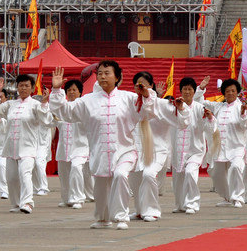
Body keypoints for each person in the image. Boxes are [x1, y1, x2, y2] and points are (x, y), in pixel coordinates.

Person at [49, 62, 157, 229]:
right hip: (99, 151)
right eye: (100, 73)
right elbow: (65, 112)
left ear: (117, 77)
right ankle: (102, 219)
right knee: (101, 188)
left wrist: (146, 96)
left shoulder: (128, 98)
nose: (103, 76)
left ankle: (121, 217)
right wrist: (56, 90)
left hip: (125, 150)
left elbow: (147, 113)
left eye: (107, 73)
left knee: (121, 175)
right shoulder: (87, 100)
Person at [129, 71, 192, 222]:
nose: (141, 87)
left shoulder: (162, 105)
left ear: (151, 86)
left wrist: (181, 108)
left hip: (157, 150)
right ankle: (139, 210)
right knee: (136, 181)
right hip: (137, 149)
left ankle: (152, 210)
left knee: (149, 175)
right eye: (138, 84)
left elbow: (183, 122)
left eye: (145, 84)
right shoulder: (131, 104)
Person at [0, 74, 50, 213]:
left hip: (28, 148)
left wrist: (44, 104)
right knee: (11, 178)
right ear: (17, 87)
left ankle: (28, 202)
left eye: (27, 86)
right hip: (10, 148)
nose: (23, 88)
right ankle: (16, 204)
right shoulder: (10, 104)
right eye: (21, 85)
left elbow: (46, 120)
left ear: (32, 88)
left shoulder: (35, 105)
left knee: (24, 173)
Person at [201, 79, 247, 208]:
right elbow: (200, 103)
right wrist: (201, 89)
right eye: (227, 91)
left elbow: (245, 124)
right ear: (223, 92)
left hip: (237, 147)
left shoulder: (241, 107)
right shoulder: (219, 106)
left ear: (237, 92)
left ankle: (238, 197)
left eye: (233, 91)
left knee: (235, 167)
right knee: (216, 172)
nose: (230, 93)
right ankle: (227, 197)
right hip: (220, 147)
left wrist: (242, 114)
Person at [170, 77, 214, 214]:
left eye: (190, 89)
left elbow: (210, 128)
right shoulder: (174, 106)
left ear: (194, 92)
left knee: (190, 172)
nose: (187, 92)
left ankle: (192, 203)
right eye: (185, 89)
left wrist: (210, 118)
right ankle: (180, 204)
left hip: (195, 149)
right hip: (178, 149)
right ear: (181, 90)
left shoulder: (200, 108)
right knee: (178, 179)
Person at [53, 79, 90, 209]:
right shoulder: (62, 109)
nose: (72, 92)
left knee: (76, 168)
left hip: (80, 146)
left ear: (80, 92)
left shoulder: (84, 107)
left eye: (74, 90)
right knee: (64, 174)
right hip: (63, 147)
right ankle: (66, 198)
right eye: (69, 90)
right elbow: (51, 120)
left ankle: (78, 198)